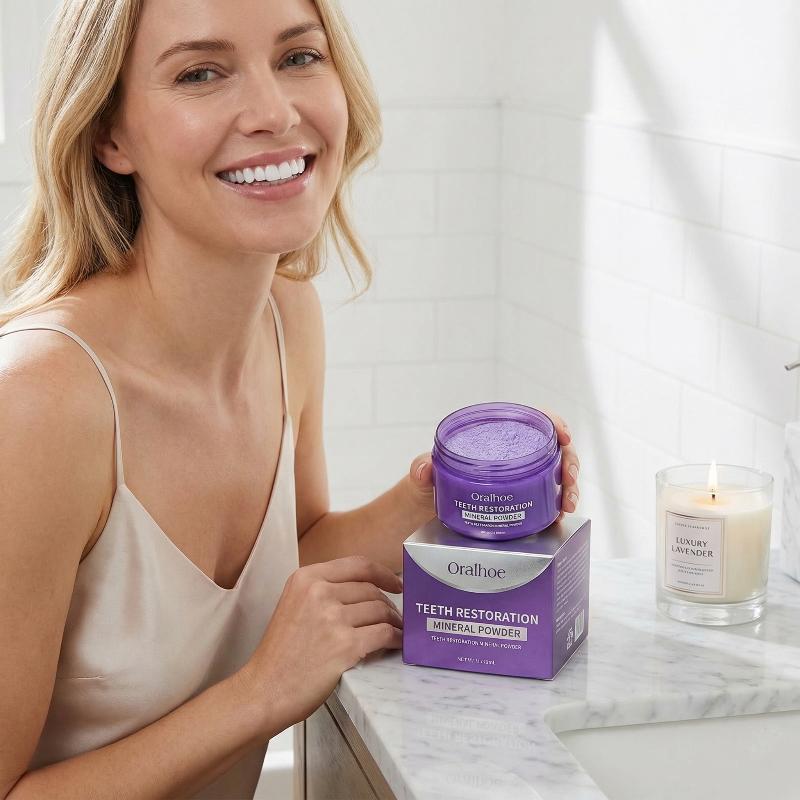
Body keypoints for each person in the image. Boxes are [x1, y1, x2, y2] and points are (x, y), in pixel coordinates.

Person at [0, 0, 581, 797]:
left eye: (298, 57)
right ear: (110, 136)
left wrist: (437, 500)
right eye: (201, 73)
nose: (274, 112)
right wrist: (262, 694)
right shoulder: (38, 401)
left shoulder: (286, 318)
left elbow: (294, 556)